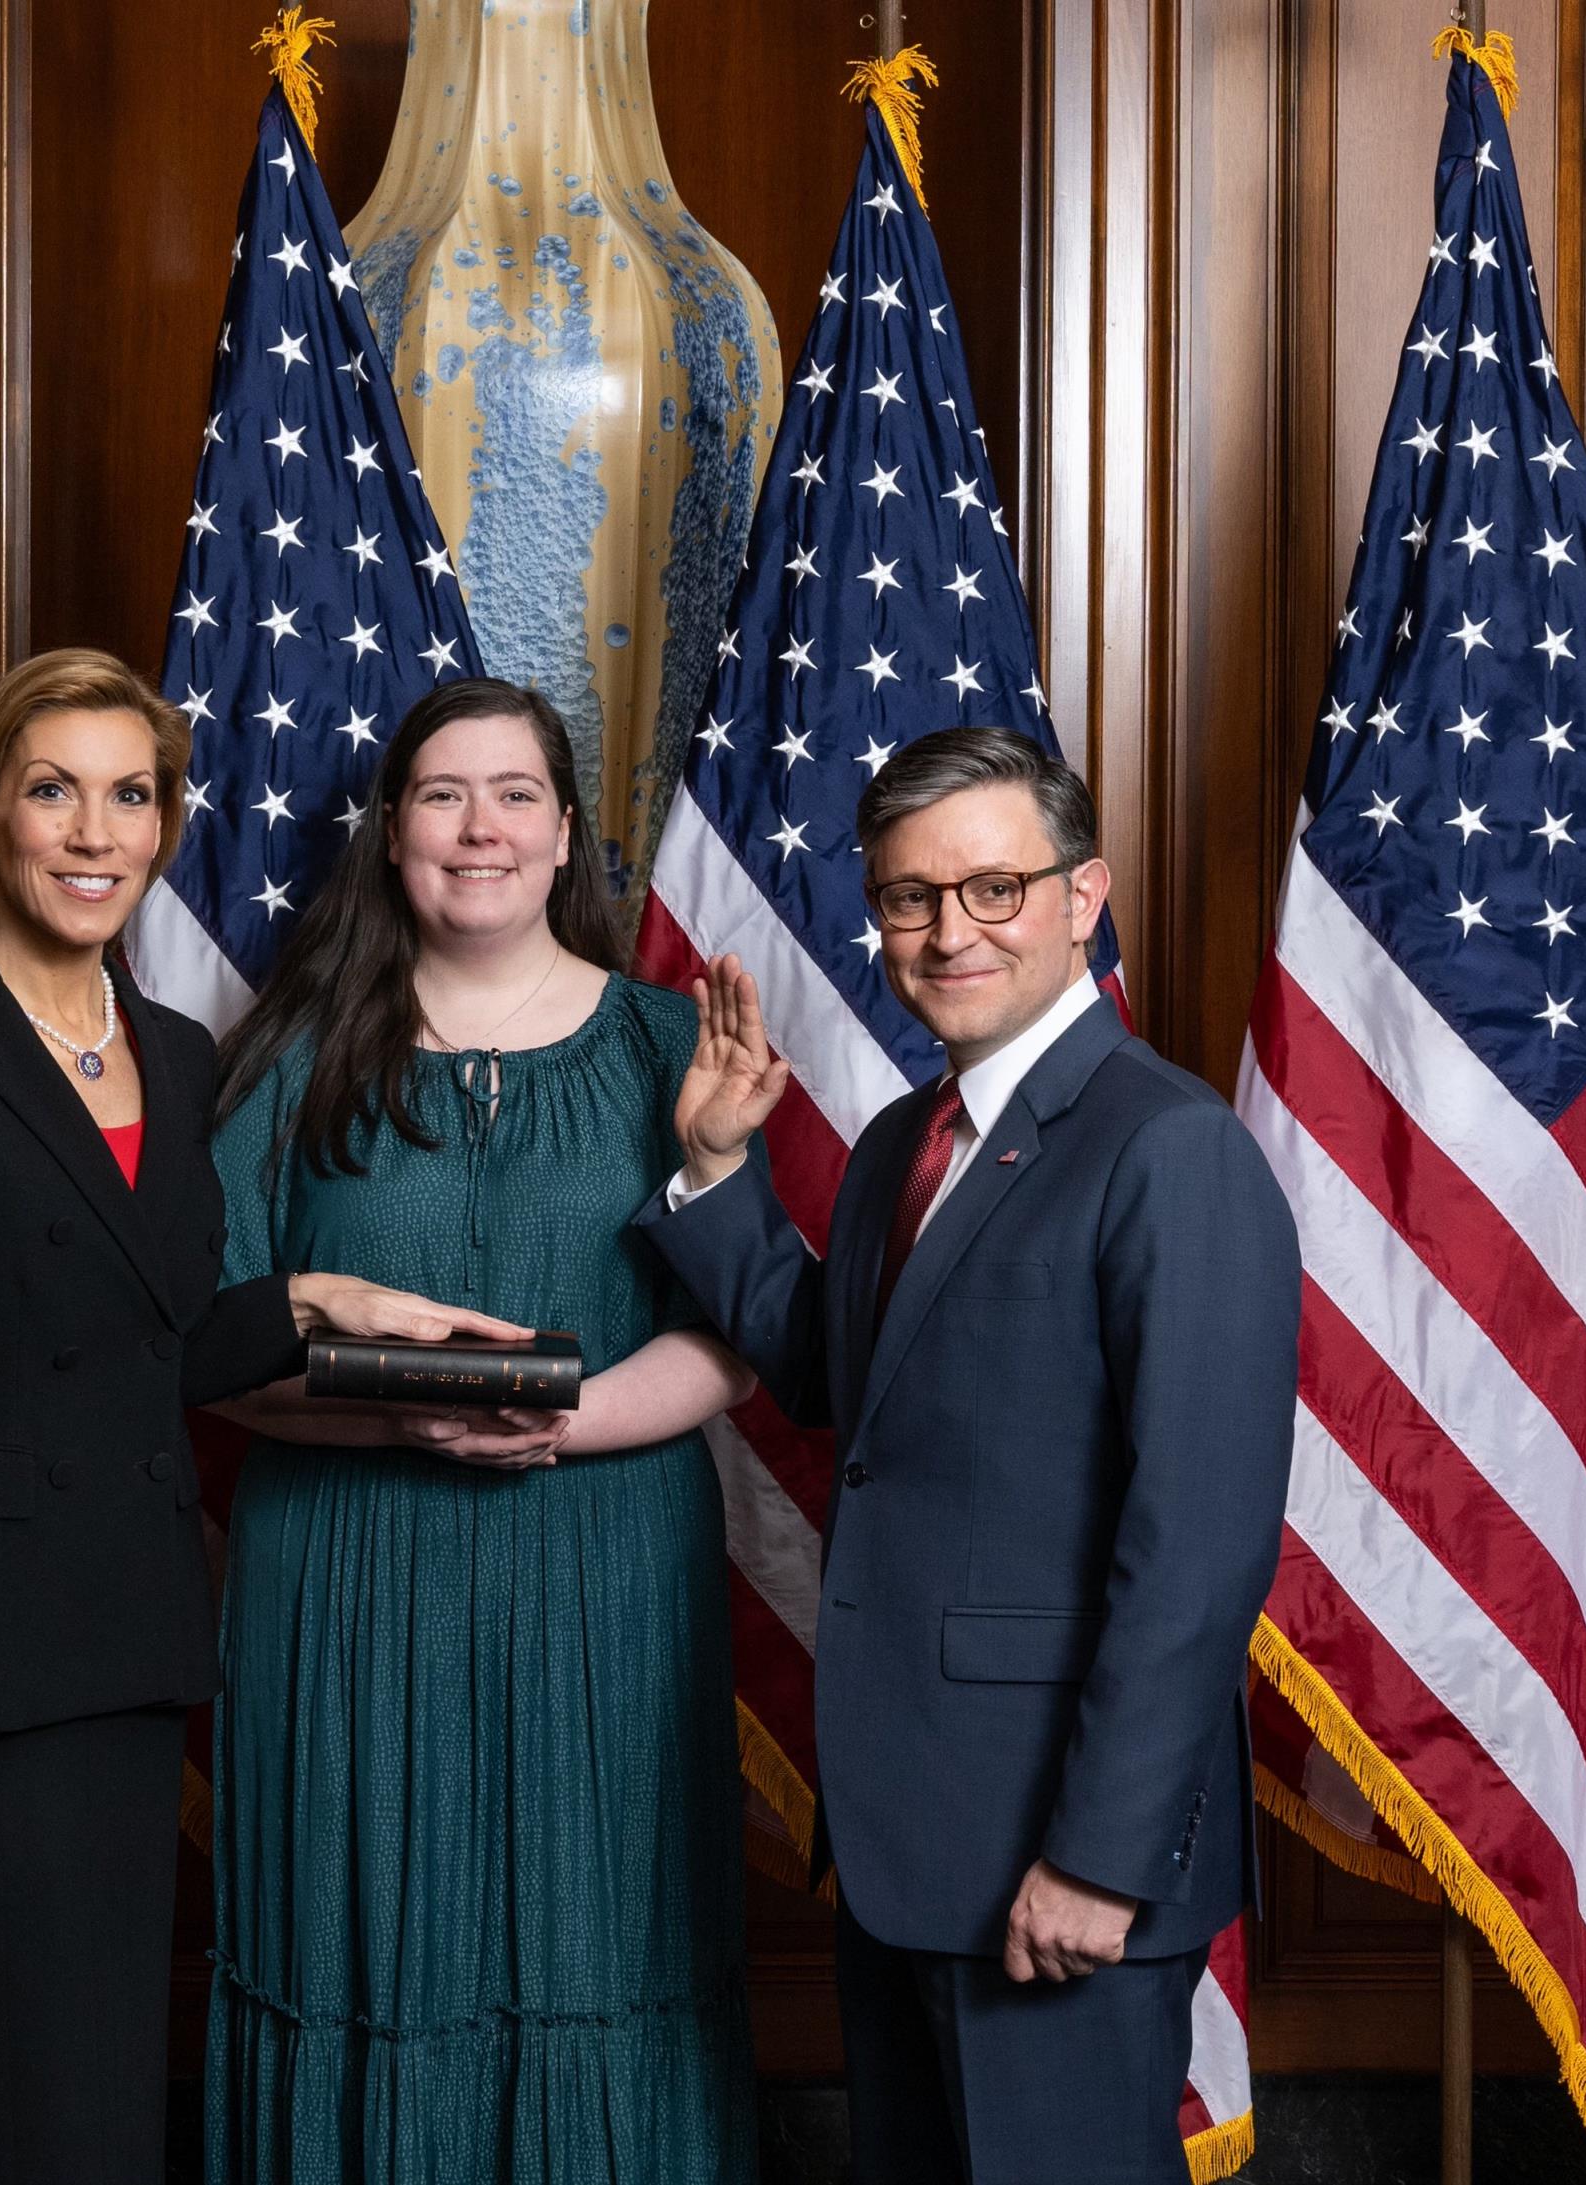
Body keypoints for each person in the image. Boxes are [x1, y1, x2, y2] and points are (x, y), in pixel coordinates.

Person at [0, 647, 516, 2184]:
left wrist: (324, 1299)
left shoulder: (175, 1057)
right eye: (53, 789)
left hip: (124, 1639)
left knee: (103, 2107)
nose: (95, 831)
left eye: (132, 794)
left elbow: (151, 1342)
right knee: (1, 2120)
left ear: (167, 825)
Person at [637, 727, 1300, 2185]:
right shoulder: (898, 1144)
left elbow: (1194, 1547)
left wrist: (1099, 1856)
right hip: (906, 1841)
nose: (951, 932)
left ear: (1084, 896)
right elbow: (832, 1381)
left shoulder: (1165, 1149)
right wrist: (713, 1170)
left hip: (1057, 1852)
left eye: (994, 888)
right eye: (910, 898)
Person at [201, 678, 763, 2185]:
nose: (479, 827)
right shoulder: (290, 1052)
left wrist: (547, 1430)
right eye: (443, 793)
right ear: (392, 834)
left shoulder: (670, 1048)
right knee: (364, 1935)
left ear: (567, 828)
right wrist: (401, 1418)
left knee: (606, 1936)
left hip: (606, 1582)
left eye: (514, 792)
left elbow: (737, 1339)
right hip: (349, 1575)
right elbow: (210, 1342)